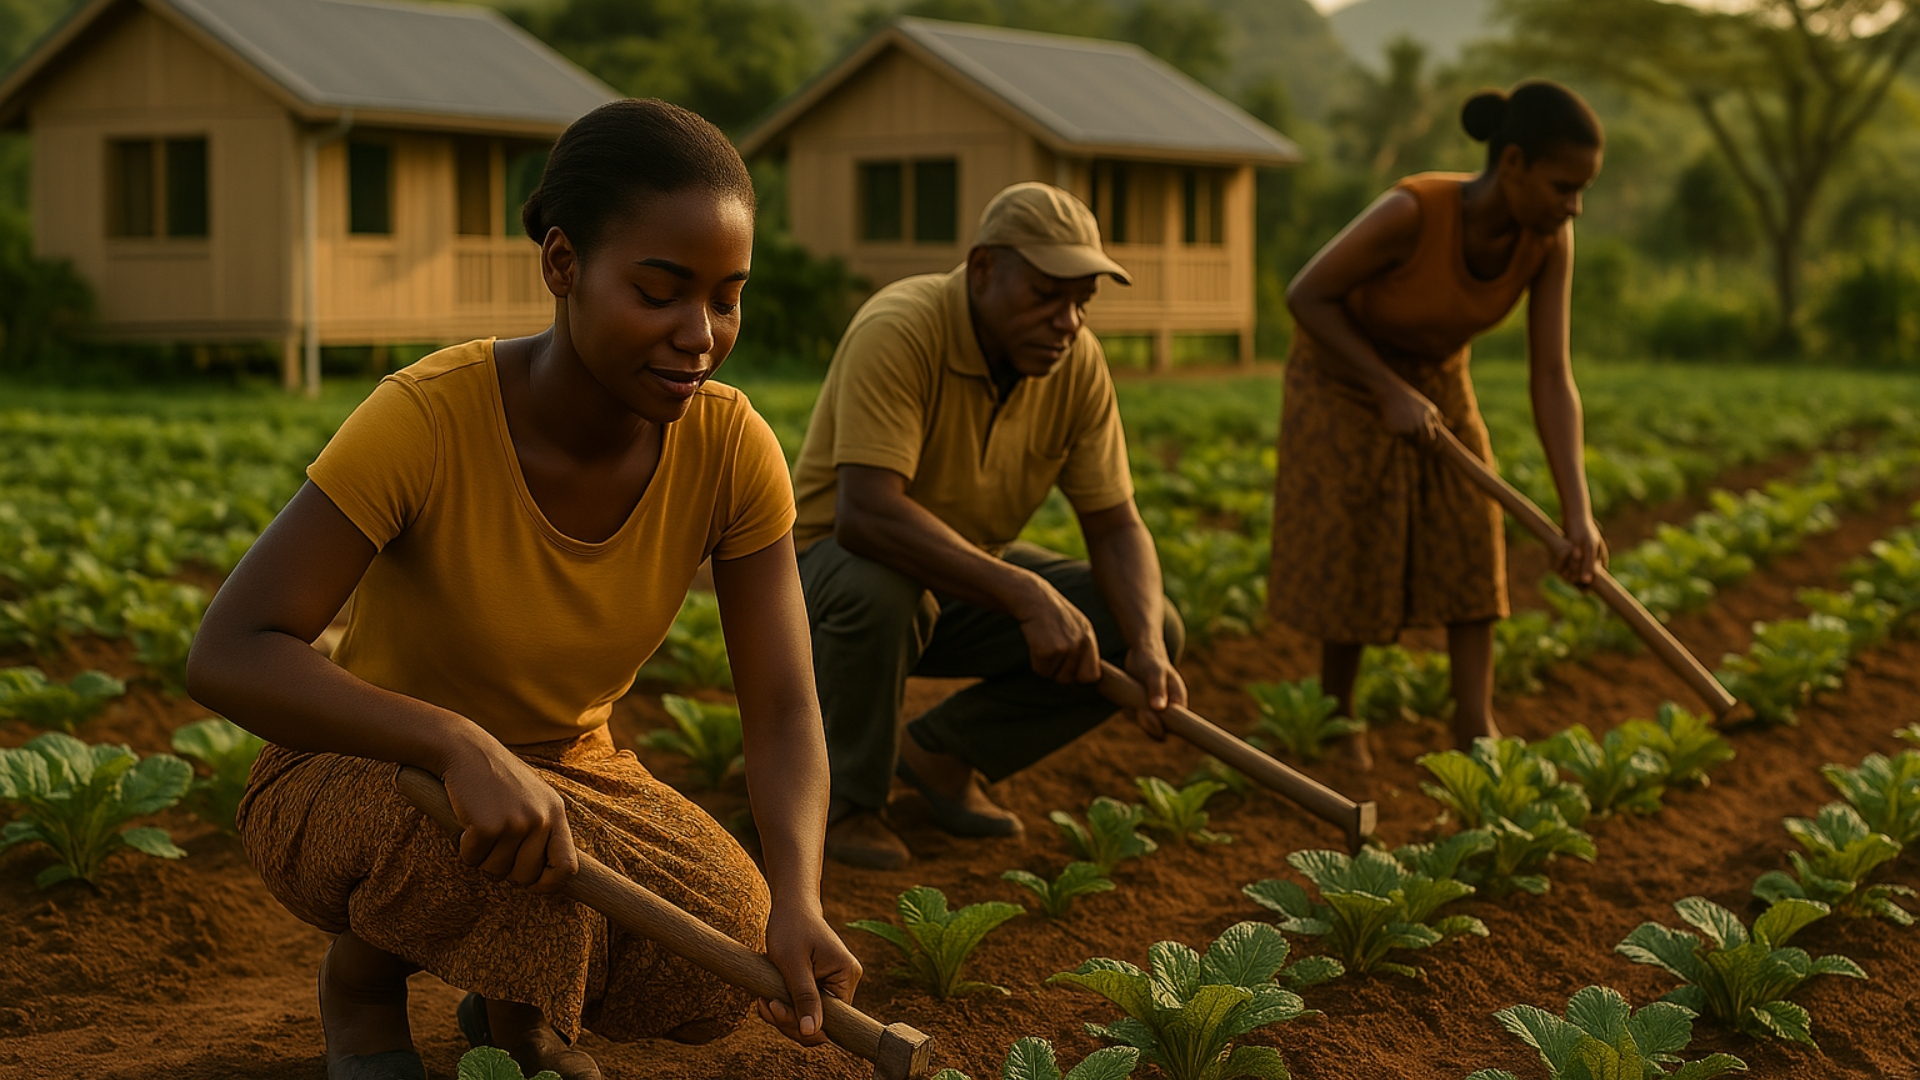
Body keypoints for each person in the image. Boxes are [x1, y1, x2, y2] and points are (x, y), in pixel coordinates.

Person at [186, 100, 859, 1080]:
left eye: (726, 297)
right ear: (562, 266)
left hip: (572, 773)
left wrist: (801, 898)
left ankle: (514, 1006)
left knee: (731, 943)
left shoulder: (730, 447)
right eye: (661, 291)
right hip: (360, 763)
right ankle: (363, 983)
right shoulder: (426, 418)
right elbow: (227, 651)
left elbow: (786, 705)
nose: (701, 335)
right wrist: (454, 741)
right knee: (499, 855)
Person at [791, 182, 1187, 870]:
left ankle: (944, 754)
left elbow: (1117, 524)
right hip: (822, 574)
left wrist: (1148, 646)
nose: (1066, 320)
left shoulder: (1076, 364)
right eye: (1045, 294)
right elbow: (867, 515)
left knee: (1141, 623)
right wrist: (1026, 595)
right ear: (982, 270)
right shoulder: (903, 328)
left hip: (958, 576)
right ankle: (847, 800)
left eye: (1080, 301)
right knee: (882, 591)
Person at [1270, 81, 1607, 765]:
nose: (1573, 206)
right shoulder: (1412, 212)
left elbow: (1550, 374)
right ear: (1512, 165)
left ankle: (1474, 725)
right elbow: (1307, 294)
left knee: (1471, 530)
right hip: (1343, 374)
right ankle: (1338, 717)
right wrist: (1385, 389)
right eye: (1562, 186)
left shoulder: (1549, 241)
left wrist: (1579, 513)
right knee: (1358, 533)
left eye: (1582, 191)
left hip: (1438, 374)